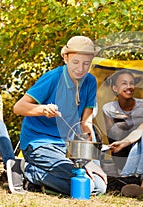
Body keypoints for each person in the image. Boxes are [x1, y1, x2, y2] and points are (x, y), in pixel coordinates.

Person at [7, 36, 107, 195]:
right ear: (66, 58)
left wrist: (89, 161)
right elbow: (18, 107)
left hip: (66, 147)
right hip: (39, 143)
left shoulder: (90, 82)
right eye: (76, 62)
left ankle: (41, 180)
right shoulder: (53, 78)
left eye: (86, 63)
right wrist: (43, 109)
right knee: (83, 185)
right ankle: (26, 169)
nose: (80, 69)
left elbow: (86, 123)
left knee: (99, 186)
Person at [102, 69, 143, 172]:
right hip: (121, 147)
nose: (129, 87)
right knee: (117, 128)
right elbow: (111, 134)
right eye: (124, 83)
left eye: (132, 83)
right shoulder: (108, 108)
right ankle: (121, 167)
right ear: (115, 88)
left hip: (140, 144)